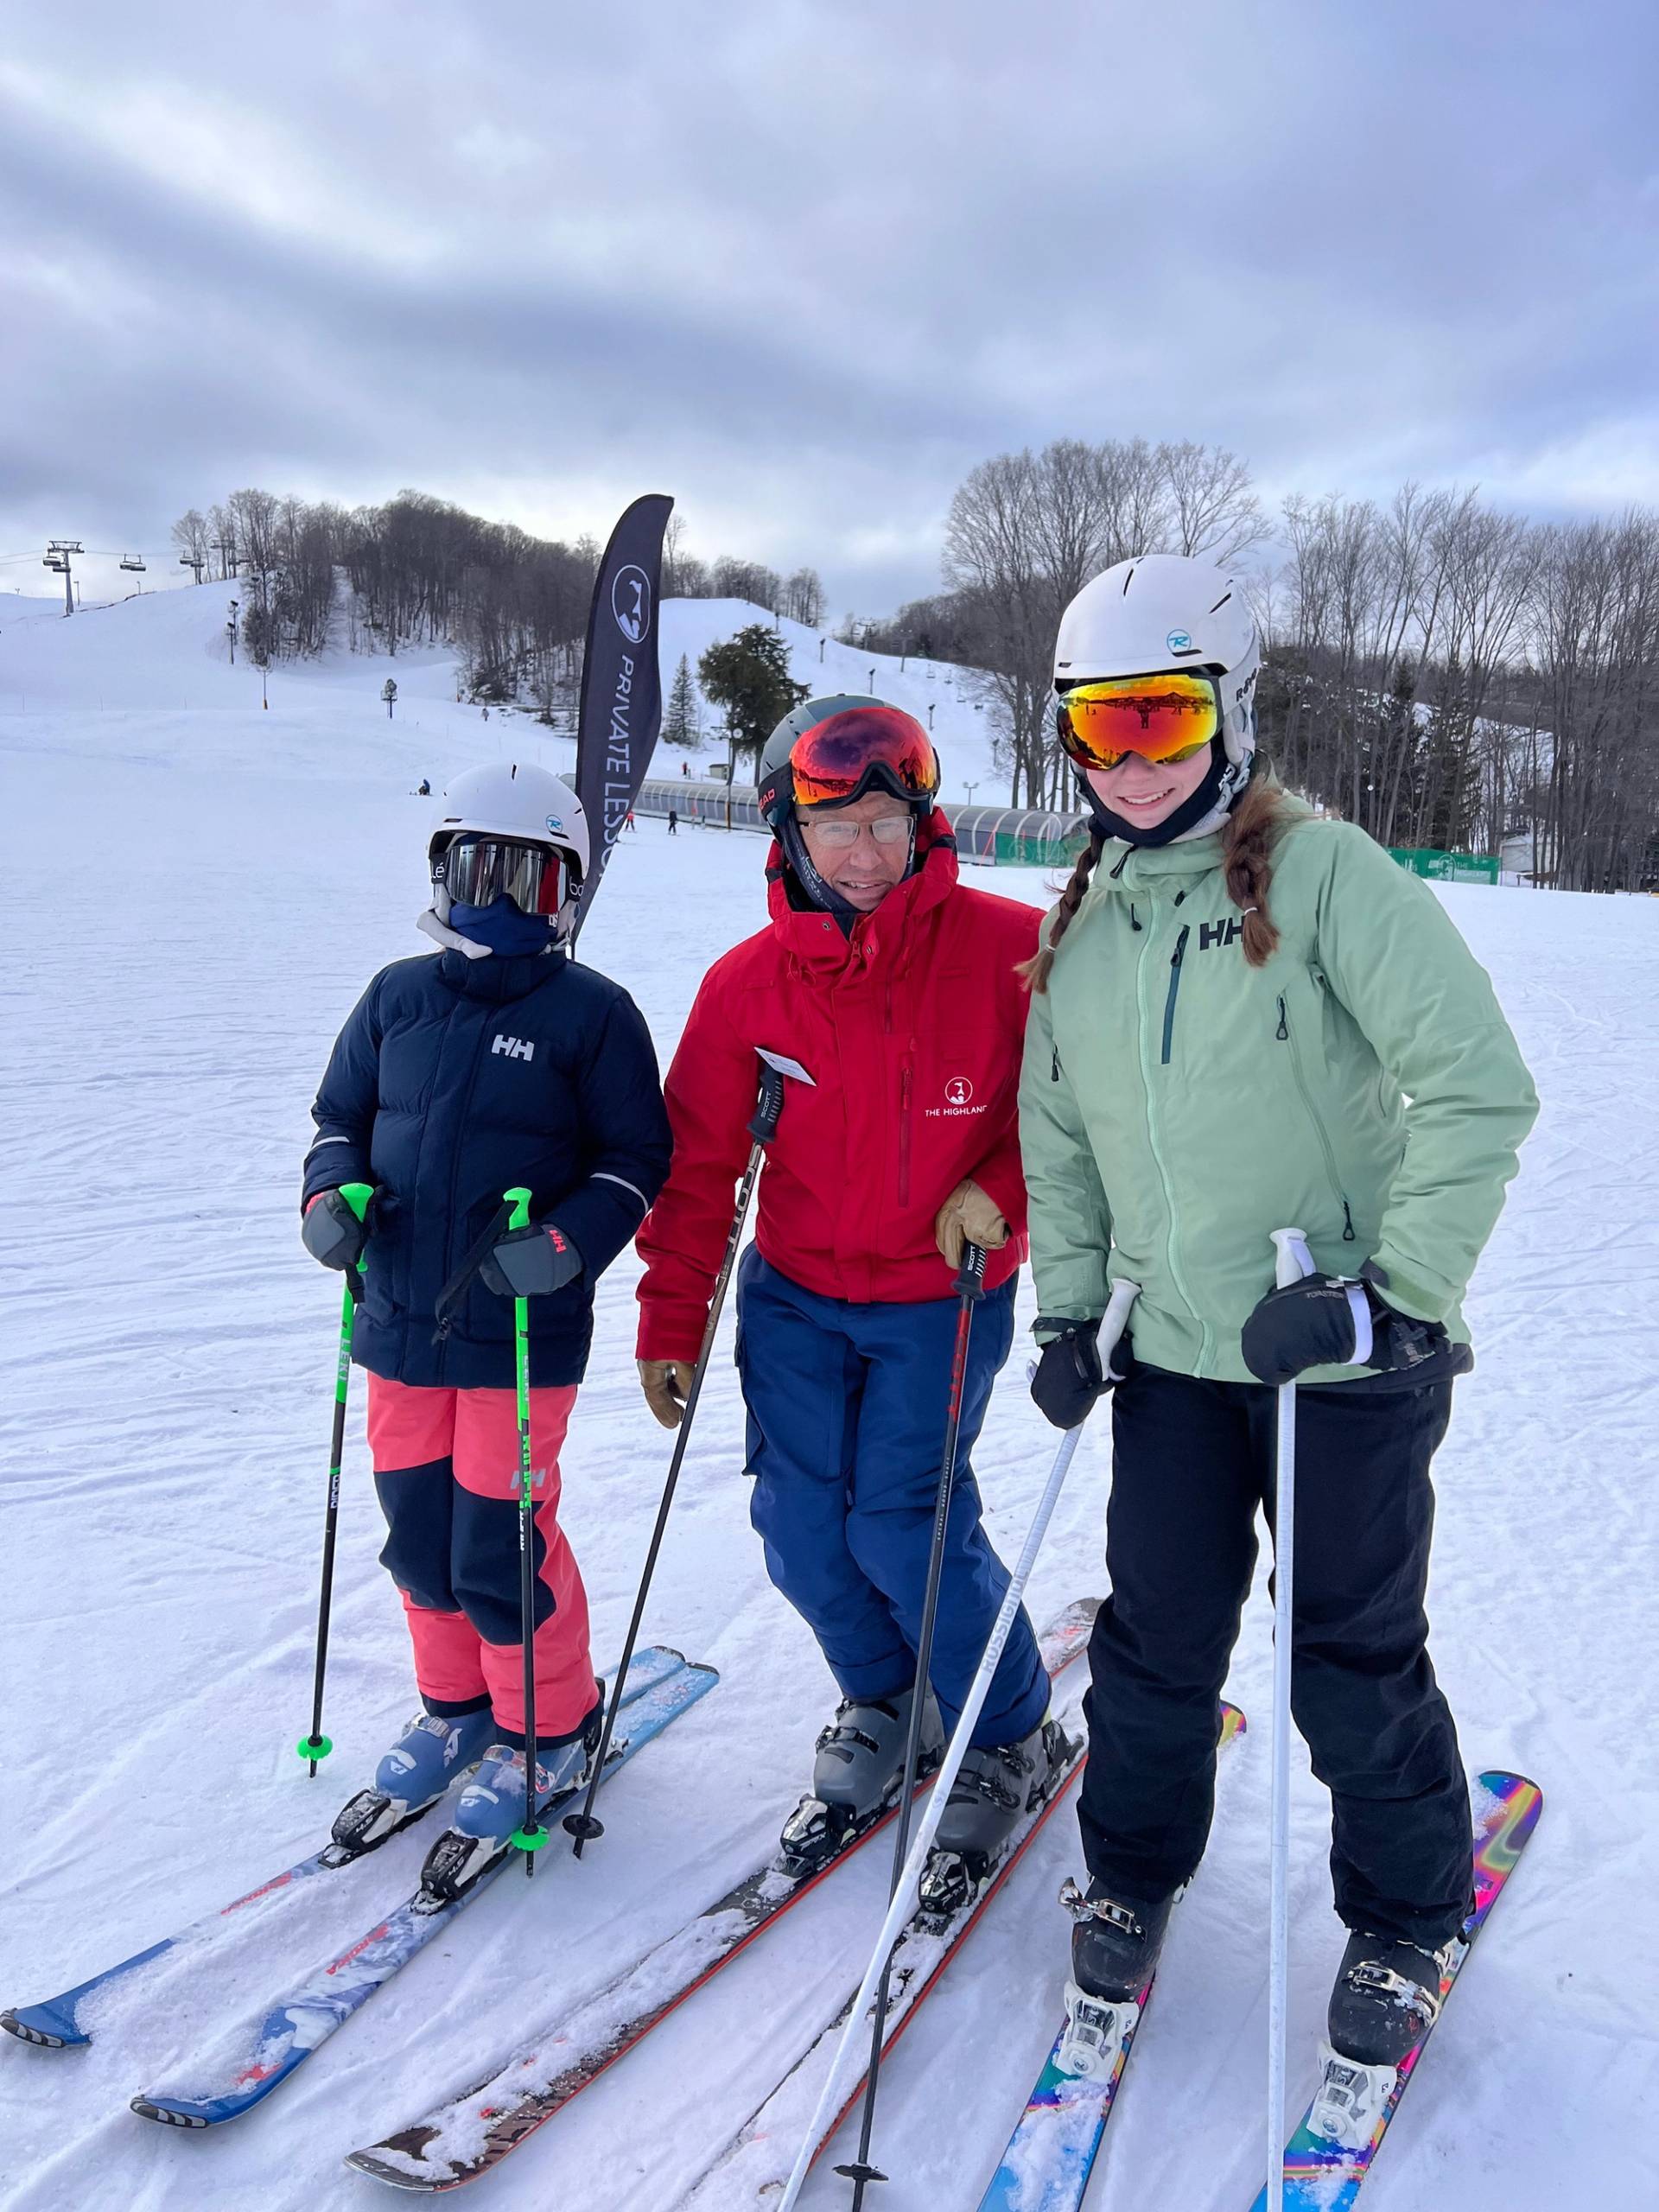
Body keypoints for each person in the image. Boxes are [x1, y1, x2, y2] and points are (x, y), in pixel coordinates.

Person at [1018, 555, 1538, 2079]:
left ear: (1232, 713)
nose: (1130, 762)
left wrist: (1395, 1299)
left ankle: (1406, 1910)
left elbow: (1479, 1092)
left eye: (1163, 716)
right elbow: (1061, 1142)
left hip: (1346, 1358)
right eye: (1096, 729)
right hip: (1176, 1358)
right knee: (1157, 1645)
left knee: (1345, 1653)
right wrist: (1066, 1315)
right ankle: (1131, 1868)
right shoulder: (1088, 926)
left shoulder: (1325, 876)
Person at [634, 696, 1061, 1881]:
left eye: (886, 822)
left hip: (942, 1294)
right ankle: (889, 1697)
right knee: (799, 1524)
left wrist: (1009, 1194)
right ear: (788, 833)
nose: (865, 853)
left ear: (923, 824)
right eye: (838, 827)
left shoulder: (1010, 954)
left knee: (905, 1523)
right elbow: (699, 1168)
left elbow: (1084, 1113)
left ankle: (1010, 1728)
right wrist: (672, 1316)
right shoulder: (746, 988)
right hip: (796, 1297)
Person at [301, 761, 671, 1893]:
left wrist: (564, 1247)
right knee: (417, 1533)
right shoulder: (394, 998)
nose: (501, 903)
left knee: (497, 1542)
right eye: (479, 872)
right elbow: (337, 1120)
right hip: (400, 1323)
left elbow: (635, 1160)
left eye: (529, 880)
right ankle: (457, 1709)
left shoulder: (594, 1016)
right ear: (443, 873)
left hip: (518, 1334)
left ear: (565, 894)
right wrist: (331, 1199)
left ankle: (548, 1727)